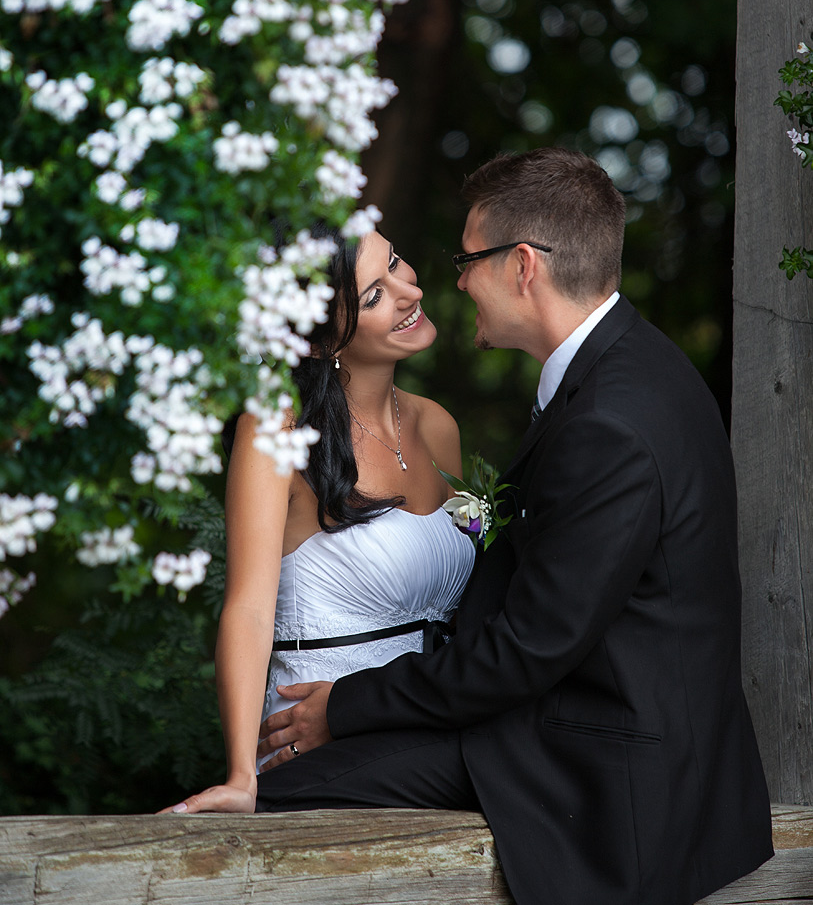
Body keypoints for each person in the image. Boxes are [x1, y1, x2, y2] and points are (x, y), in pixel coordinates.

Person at [251, 148, 774, 905]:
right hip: (614, 731)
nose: (451, 282)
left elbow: (527, 649)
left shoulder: (607, 420)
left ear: (521, 265)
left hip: (603, 771)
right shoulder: (630, 366)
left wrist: (345, 705)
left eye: (466, 261)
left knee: (275, 803)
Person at [161, 226, 474, 816]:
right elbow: (249, 608)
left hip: (432, 733)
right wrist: (238, 778)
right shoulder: (278, 431)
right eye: (375, 296)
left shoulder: (438, 427)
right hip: (314, 746)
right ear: (317, 338)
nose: (409, 292)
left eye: (398, 264)